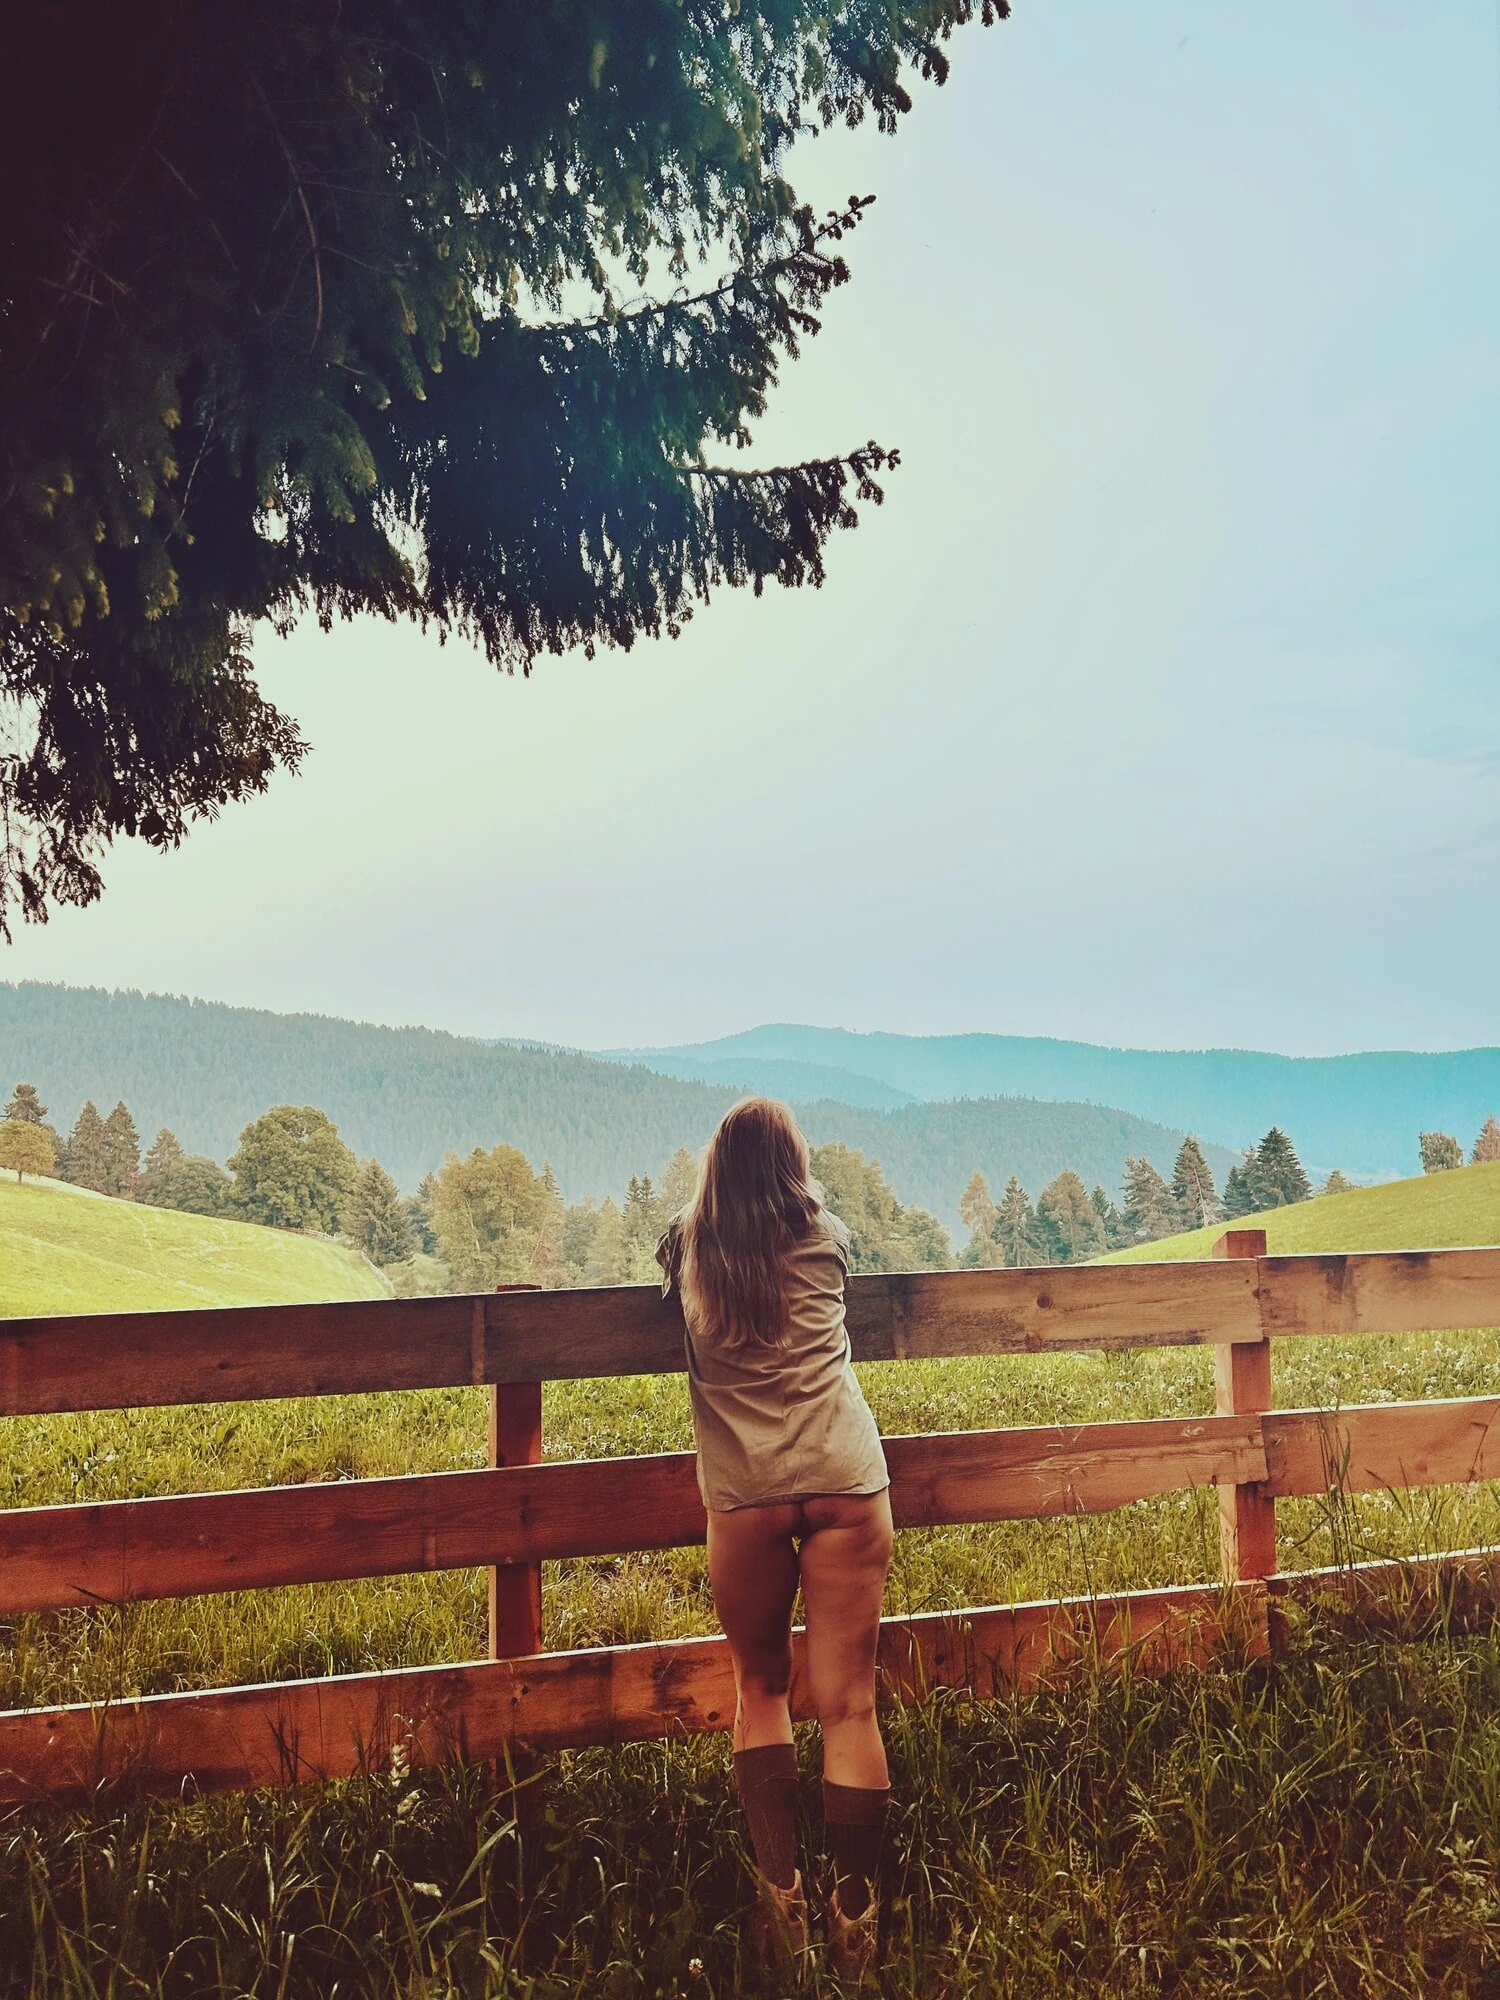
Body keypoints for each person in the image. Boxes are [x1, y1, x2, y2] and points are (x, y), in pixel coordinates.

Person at [657, 1098, 894, 1981]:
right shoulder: (826, 1237)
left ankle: (781, 1906)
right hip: (845, 1478)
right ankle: (857, 1923)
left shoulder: (688, 1249)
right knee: (852, 1707)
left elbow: (681, 1241)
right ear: (794, 1165)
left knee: (761, 1687)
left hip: (747, 1492)